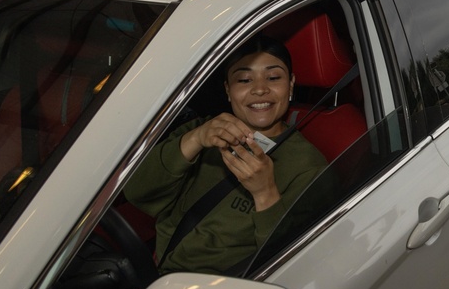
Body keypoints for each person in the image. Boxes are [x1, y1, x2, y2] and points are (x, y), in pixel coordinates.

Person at [124, 34, 328, 275]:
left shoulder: (309, 167)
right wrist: (195, 140)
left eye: (273, 77)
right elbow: (136, 191)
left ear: (291, 84)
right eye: (244, 80)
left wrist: (265, 193)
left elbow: (299, 265)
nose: (260, 89)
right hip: (158, 272)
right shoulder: (200, 131)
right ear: (228, 90)